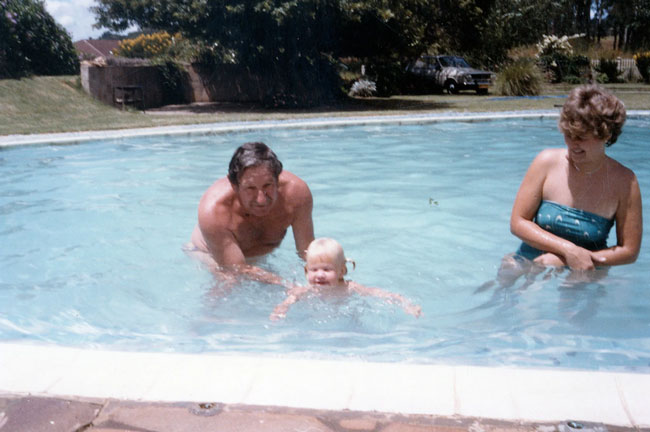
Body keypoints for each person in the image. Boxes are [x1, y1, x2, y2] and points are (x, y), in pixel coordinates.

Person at [505, 84, 642, 275]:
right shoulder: (546, 162)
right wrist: (567, 250)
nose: (573, 144)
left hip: (586, 273)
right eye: (569, 135)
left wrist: (571, 260)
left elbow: (629, 252)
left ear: (606, 134)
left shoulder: (625, 182)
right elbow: (518, 222)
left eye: (582, 137)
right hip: (530, 263)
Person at [188, 142, 314, 285]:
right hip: (210, 255)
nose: (261, 200)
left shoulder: (297, 195)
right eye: (250, 188)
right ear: (235, 186)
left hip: (256, 258)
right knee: (230, 284)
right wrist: (287, 284)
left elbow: (306, 252)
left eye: (268, 185)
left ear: (277, 180)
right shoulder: (214, 211)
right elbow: (237, 269)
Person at [270, 238, 422, 320]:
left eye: (327, 269)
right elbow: (289, 300)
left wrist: (406, 305)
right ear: (306, 271)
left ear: (342, 271)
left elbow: (380, 294)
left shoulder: (350, 288)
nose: (320, 275)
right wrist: (281, 309)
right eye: (314, 270)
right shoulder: (304, 291)